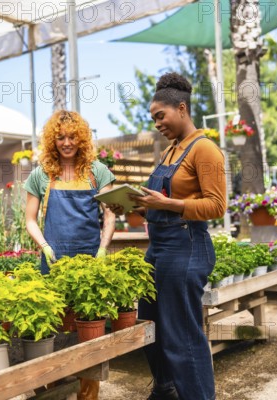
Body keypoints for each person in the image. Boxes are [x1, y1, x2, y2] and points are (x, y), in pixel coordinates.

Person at [111, 72, 226, 400]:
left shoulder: (205, 150)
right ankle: (167, 389)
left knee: (182, 335)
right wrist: (139, 207)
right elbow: (162, 204)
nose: (157, 123)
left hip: (186, 247)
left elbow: (217, 206)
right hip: (159, 247)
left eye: (161, 116)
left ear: (182, 108)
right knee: (150, 325)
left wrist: (166, 203)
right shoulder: (171, 151)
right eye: (153, 118)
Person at [24, 110, 116, 399]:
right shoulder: (41, 175)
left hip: (89, 265)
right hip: (52, 264)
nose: (66, 143)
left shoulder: (97, 171)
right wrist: (45, 245)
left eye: (72, 137)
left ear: (82, 139)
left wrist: (102, 249)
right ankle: (54, 391)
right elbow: (29, 219)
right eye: (60, 137)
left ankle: (87, 395)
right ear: (52, 140)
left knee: (89, 334)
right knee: (56, 332)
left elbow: (110, 215)